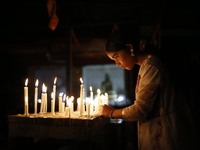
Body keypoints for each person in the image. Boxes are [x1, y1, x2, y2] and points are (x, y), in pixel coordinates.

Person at [99, 30, 199, 150]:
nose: (117, 63)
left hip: (164, 134)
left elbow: (140, 109)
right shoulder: (146, 66)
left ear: (130, 48)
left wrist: (111, 113)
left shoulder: (151, 66)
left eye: (116, 57)